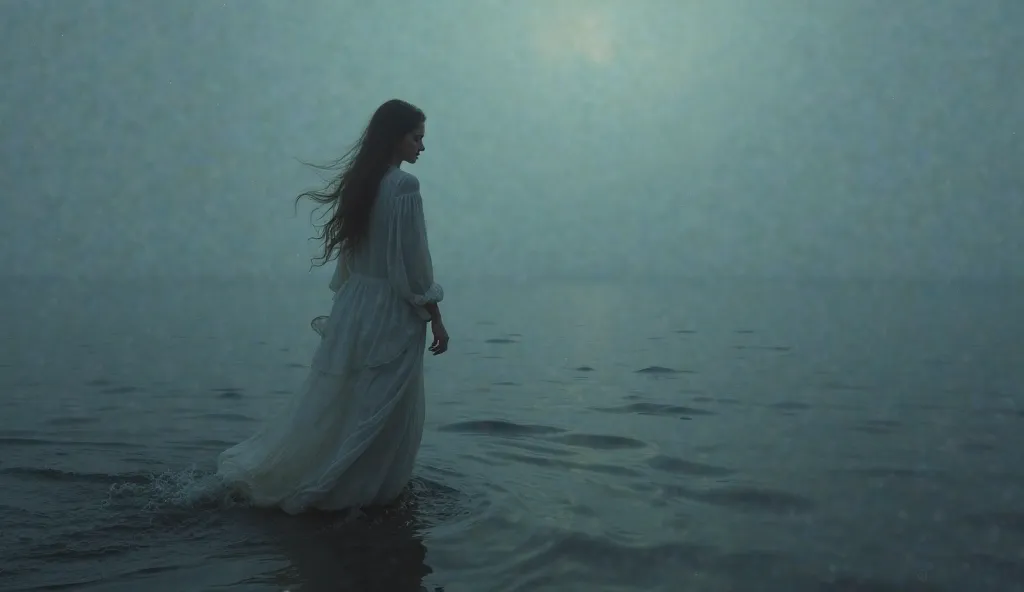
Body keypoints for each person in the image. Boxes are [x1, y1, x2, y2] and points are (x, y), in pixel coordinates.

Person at [216, 98, 449, 514]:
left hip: (354, 306)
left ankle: (304, 477)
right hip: (390, 312)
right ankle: (345, 494)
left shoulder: (361, 182)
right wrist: (436, 317)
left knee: (340, 403)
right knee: (378, 414)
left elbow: (351, 261)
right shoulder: (403, 186)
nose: (422, 147)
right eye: (417, 138)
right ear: (396, 137)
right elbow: (414, 265)